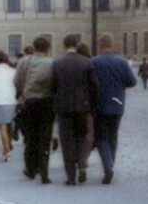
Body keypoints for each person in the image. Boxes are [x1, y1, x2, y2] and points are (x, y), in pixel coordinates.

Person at [50, 34, 99, 185]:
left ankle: (71, 176)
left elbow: (52, 86)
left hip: (64, 108)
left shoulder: (57, 63)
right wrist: (91, 106)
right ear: (77, 46)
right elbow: (94, 86)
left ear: (64, 46)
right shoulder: (86, 62)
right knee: (82, 137)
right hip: (82, 107)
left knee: (67, 142)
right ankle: (82, 166)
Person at [90, 33, 137, 184]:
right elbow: (132, 82)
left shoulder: (94, 62)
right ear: (112, 45)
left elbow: (89, 83)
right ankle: (111, 164)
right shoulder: (122, 62)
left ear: (100, 45)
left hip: (100, 105)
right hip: (118, 104)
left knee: (101, 137)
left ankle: (108, 166)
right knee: (113, 136)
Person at [13, 36, 55, 184]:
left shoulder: (25, 61)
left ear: (34, 47)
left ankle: (30, 168)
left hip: (29, 102)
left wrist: (21, 92)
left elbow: (16, 80)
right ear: (48, 48)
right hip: (47, 102)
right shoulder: (51, 63)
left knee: (31, 136)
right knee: (45, 137)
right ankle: (44, 171)